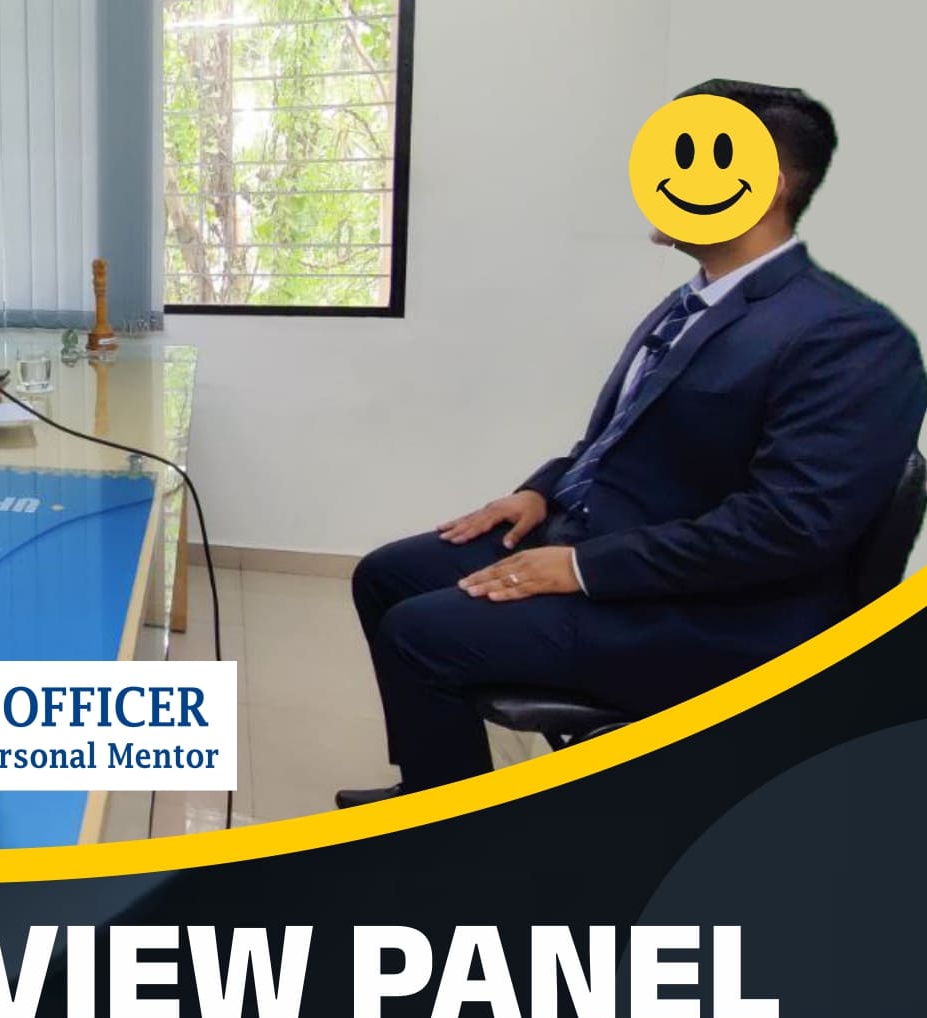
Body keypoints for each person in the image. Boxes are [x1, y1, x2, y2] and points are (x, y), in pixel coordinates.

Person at [338, 80, 927, 807]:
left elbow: (790, 527)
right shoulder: (694, 303)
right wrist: (540, 491)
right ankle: (433, 789)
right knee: (388, 575)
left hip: (721, 613)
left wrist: (582, 568)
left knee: (420, 632)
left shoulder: (847, 335)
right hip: (606, 536)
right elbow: (617, 441)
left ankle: (448, 837)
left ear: (767, 184)